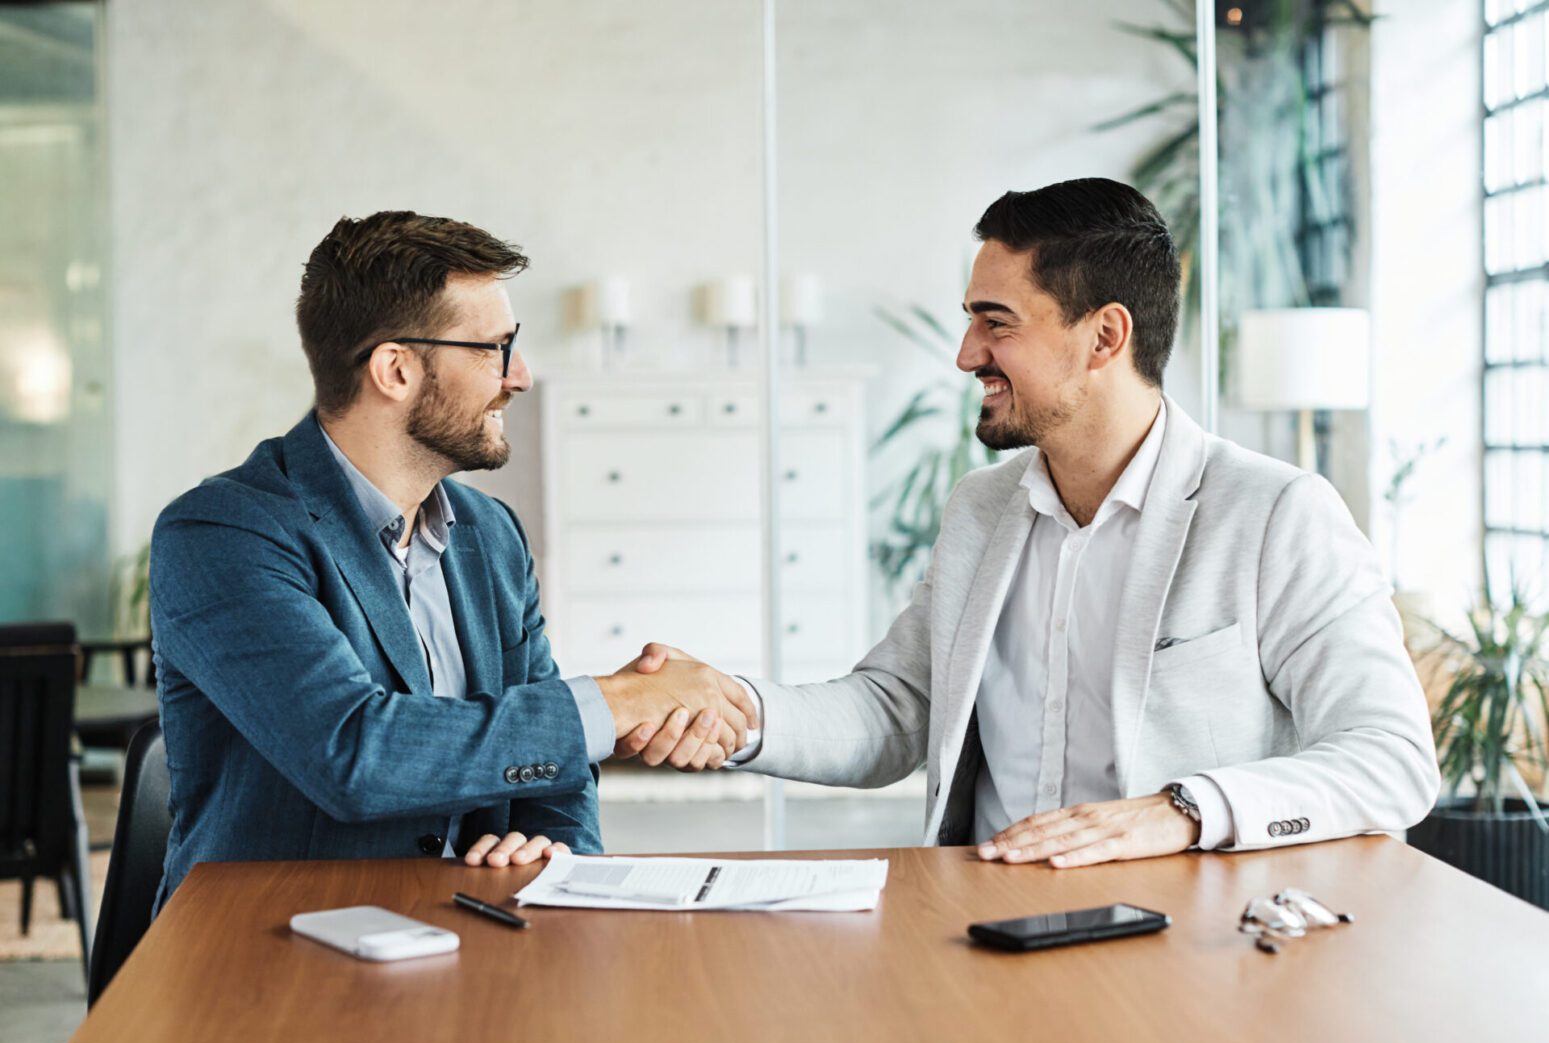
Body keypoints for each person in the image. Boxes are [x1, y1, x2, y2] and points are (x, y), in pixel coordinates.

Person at [634, 178, 1440, 867]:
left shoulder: (1273, 513)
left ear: (1104, 336)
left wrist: (1181, 810)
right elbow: (897, 708)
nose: (964, 354)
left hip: (1180, 944)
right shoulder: (982, 507)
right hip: (983, 921)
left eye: (996, 322)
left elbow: (1391, 760)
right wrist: (734, 707)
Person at [150, 211, 755, 906]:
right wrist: (616, 701)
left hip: (467, 932)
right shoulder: (223, 533)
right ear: (396, 369)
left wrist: (551, 852)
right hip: (269, 951)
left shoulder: (491, 534)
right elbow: (354, 752)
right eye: (494, 348)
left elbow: (559, 775)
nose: (519, 376)